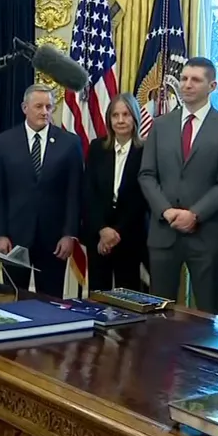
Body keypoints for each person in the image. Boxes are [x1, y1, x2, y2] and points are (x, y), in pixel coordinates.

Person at [137, 57, 218, 314]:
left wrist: (194, 215)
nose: (187, 85)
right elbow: (147, 175)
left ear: (212, 86)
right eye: (184, 78)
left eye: (195, 80)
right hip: (164, 232)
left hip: (205, 235)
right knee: (158, 312)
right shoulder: (160, 125)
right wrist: (165, 210)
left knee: (208, 311)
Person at [0, 83, 83, 295]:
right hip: (14, 238)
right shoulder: (3, 142)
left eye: (49, 107)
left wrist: (69, 234)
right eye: (39, 106)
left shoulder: (70, 143)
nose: (45, 112)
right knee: (13, 299)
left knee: (50, 300)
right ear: (24, 108)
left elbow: (74, 193)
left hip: (54, 240)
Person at [81, 92, 148, 292]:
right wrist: (102, 230)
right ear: (109, 119)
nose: (120, 120)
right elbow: (89, 192)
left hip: (129, 235)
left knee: (127, 296)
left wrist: (116, 232)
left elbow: (141, 198)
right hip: (98, 235)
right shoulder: (97, 148)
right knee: (98, 293)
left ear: (135, 117)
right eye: (115, 115)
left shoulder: (145, 150)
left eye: (126, 115)